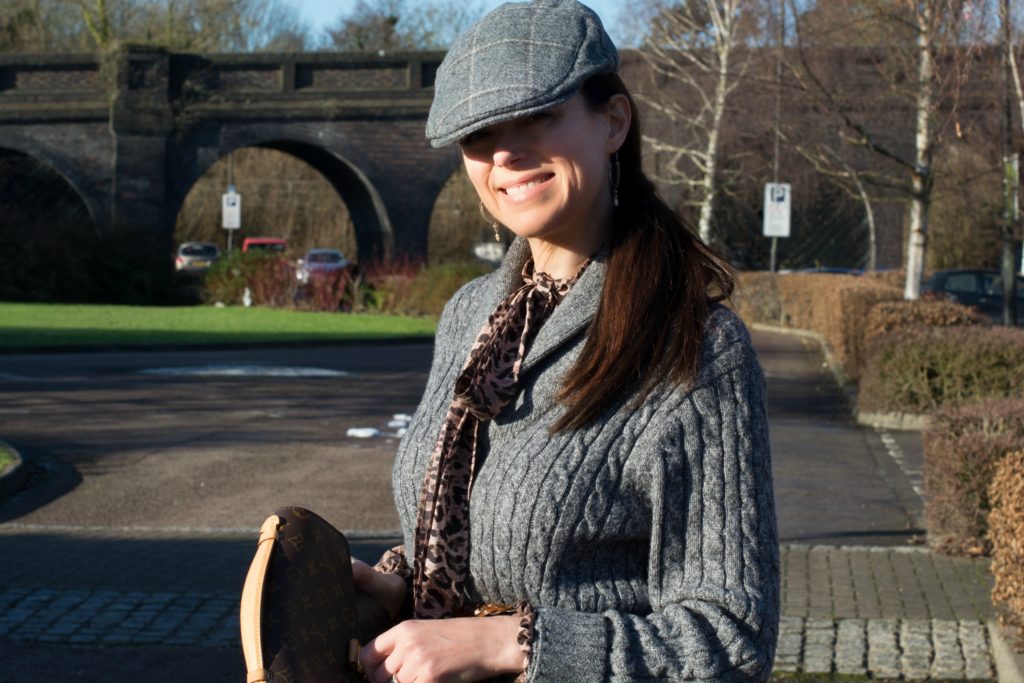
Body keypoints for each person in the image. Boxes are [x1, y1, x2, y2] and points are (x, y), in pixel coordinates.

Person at [351, 0, 780, 680]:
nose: (505, 154)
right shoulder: (469, 316)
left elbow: (730, 639)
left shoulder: (694, 345)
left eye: (538, 117)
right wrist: (398, 589)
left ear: (613, 122)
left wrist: (510, 644)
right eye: (479, 133)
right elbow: (484, 547)